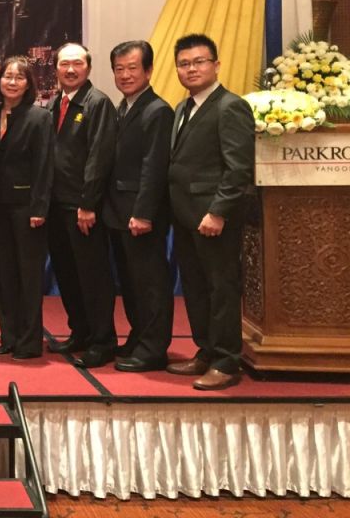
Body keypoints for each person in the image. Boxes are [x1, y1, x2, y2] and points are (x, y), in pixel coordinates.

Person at [166, 34, 254, 390]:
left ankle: (226, 361)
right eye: (184, 64)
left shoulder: (230, 106)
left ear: (216, 65)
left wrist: (218, 211)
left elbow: (239, 168)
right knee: (196, 288)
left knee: (222, 289)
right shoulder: (183, 107)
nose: (191, 69)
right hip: (185, 215)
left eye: (199, 62)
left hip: (213, 218)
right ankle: (205, 351)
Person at [104, 41, 175, 373]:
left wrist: (143, 213)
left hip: (140, 214)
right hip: (119, 212)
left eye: (132, 68)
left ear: (148, 70)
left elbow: (154, 166)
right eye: (119, 69)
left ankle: (154, 349)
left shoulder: (157, 110)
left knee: (150, 284)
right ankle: (139, 336)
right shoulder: (124, 106)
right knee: (131, 283)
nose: (125, 75)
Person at [46, 42, 118, 368]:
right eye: (64, 64)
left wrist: (88, 204)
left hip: (82, 208)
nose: (70, 69)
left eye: (77, 63)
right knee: (68, 273)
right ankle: (81, 332)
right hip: (56, 206)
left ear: (88, 67)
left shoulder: (97, 103)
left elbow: (99, 157)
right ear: (56, 69)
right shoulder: (55, 103)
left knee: (93, 277)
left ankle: (102, 342)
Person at [0, 56, 54, 361]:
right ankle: (8, 337)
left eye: (19, 77)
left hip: (27, 208)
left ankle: (29, 341)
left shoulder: (39, 117)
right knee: (5, 274)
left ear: (28, 84)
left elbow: (44, 165)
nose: (12, 82)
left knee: (28, 276)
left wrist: (40, 207)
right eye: (7, 76)